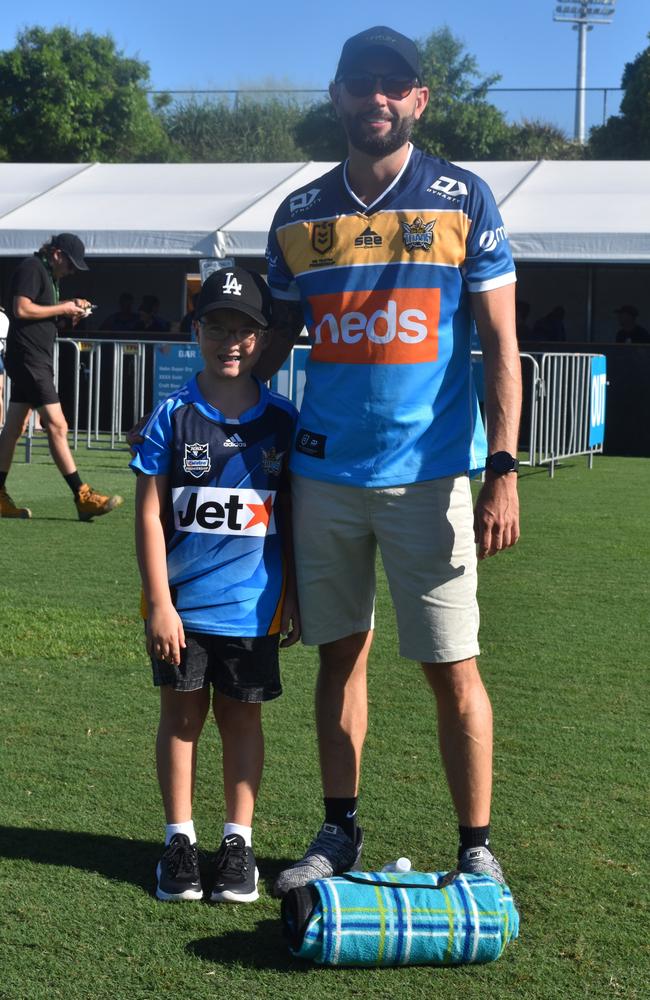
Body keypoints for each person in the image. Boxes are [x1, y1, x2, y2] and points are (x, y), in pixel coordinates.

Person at [259, 25, 522, 896]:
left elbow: (500, 343)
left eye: (393, 83)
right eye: (358, 82)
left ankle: (475, 845)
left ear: (419, 99)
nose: (375, 96)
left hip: (433, 478)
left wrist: (506, 468)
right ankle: (339, 832)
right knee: (341, 657)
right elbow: (274, 343)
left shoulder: (465, 197)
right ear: (335, 96)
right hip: (325, 476)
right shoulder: (297, 214)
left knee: (453, 667)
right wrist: (214, 420)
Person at [130, 266, 300, 903]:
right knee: (180, 719)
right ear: (196, 329)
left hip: (254, 609)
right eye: (217, 326)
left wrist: (298, 598)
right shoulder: (172, 415)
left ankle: (237, 844)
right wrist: (159, 604)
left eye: (244, 329)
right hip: (183, 610)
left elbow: (296, 515)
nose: (231, 340)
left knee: (242, 721)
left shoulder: (282, 420)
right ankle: (179, 840)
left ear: (262, 337)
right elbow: (149, 512)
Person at [0, 234, 123, 520]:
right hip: (29, 359)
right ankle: (82, 494)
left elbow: (37, 315)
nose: (71, 271)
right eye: (70, 264)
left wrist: (68, 314)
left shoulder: (47, 274)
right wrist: (63, 307)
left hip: (33, 358)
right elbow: (21, 308)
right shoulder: (32, 268)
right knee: (57, 424)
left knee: (14, 428)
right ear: (56, 254)